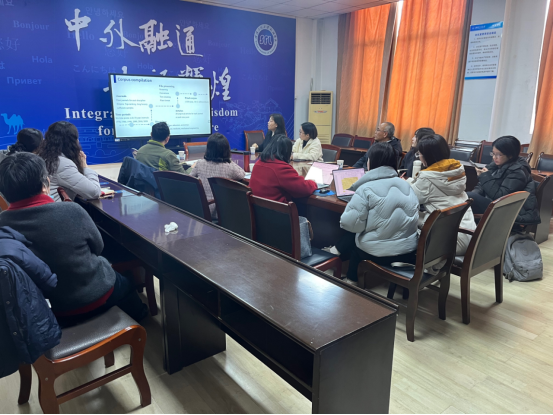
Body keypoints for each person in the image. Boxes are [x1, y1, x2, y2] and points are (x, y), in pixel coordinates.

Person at [0, 153, 149, 325]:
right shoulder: (70, 210)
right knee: (126, 283)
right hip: (96, 295)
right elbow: (98, 247)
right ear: (45, 183)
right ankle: (141, 317)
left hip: (52, 308)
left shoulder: (3, 223)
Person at [329, 143, 419, 284]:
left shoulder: (366, 188)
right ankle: (336, 251)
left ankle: (351, 280)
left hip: (378, 253)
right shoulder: (407, 185)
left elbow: (349, 224)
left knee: (357, 237)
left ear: (370, 162)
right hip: (408, 251)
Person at [407, 134, 476, 255]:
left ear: (427, 156)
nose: (419, 157)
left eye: (419, 154)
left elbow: (410, 199)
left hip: (449, 240)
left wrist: (405, 183)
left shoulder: (427, 177)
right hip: (468, 234)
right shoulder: (456, 169)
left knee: (403, 214)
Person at [467, 136, 540, 225]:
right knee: (466, 198)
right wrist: (471, 199)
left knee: (468, 197)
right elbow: (480, 187)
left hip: (507, 209)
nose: (494, 157)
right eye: (493, 153)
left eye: (498, 155)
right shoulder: (495, 166)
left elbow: (501, 197)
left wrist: (485, 177)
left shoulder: (518, 172)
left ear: (510, 155)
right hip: (493, 203)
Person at [36, 121, 101, 203]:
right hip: (56, 209)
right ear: (72, 142)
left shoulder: (43, 157)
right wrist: (85, 166)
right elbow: (94, 192)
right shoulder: (62, 164)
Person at [190, 133, 246, 219]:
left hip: (201, 209)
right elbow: (242, 174)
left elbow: (190, 178)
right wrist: (229, 160)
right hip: (221, 212)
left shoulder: (200, 163)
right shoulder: (230, 167)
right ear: (226, 150)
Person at [250, 134, 317, 203]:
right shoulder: (281, 168)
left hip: (258, 208)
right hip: (276, 209)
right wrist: (313, 182)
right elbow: (304, 189)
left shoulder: (258, 163)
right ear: (287, 152)